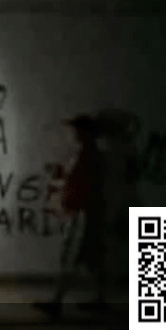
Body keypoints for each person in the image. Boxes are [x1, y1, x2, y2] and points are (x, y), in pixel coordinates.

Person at [33, 115, 108, 319]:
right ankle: (99, 299)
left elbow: (84, 185)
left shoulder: (87, 156)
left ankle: (56, 302)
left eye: (76, 130)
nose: (73, 134)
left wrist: (72, 205)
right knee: (92, 259)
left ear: (85, 133)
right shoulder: (87, 155)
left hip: (84, 212)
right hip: (88, 211)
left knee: (70, 256)